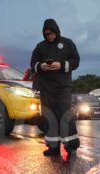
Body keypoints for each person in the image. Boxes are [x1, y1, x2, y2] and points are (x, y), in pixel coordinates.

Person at [31, 19, 80, 157]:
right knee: (49, 116)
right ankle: (53, 147)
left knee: (65, 115)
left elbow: (76, 61)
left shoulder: (67, 43)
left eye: (51, 34)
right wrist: (40, 66)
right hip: (46, 87)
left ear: (56, 31)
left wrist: (62, 65)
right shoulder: (40, 47)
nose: (49, 36)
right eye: (47, 34)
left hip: (63, 87)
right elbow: (33, 63)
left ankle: (71, 146)